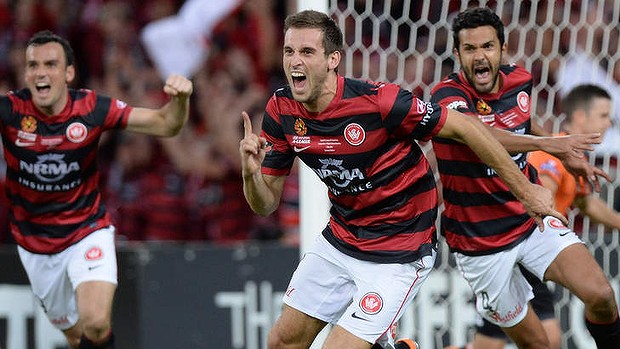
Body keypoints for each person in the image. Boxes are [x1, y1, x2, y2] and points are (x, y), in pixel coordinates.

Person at [240, 9, 574, 349]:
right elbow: (265, 204)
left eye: (307, 52)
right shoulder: (281, 111)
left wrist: (526, 190)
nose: (295, 61)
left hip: (401, 246)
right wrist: (251, 174)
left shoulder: (378, 101)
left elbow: (467, 129)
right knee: (281, 342)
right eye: (289, 51)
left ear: (332, 59)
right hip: (343, 237)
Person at [425, 7, 619, 349]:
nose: (480, 56)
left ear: (502, 48)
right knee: (540, 345)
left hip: (529, 224)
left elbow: (520, 122)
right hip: (480, 244)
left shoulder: (520, 82)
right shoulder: (447, 97)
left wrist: (560, 151)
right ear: (457, 54)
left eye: (487, 46)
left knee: (601, 294)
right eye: (469, 49)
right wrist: (550, 145)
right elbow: (480, 136)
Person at [1, 30, 192, 348]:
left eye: (50, 64)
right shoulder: (10, 111)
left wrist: (181, 100)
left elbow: (165, 124)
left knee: (97, 323)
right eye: (33, 65)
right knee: (79, 339)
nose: (40, 73)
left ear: (69, 72)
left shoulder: (91, 109)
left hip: (86, 231)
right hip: (35, 246)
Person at [529, 84, 620, 229]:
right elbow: (541, 198)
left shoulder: (575, 156)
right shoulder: (554, 151)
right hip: (537, 237)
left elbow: (586, 203)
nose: (609, 123)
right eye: (603, 116)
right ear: (580, 117)